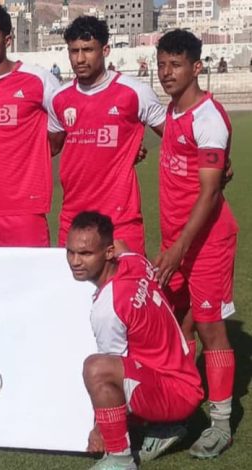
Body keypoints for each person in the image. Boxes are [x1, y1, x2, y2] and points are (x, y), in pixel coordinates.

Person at [155, 29, 237, 458]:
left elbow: (208, 194)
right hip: (179, 240)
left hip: (205, 243)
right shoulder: (173, 110)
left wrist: (178, 249)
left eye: (176, 65)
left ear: (197, 67)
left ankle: (220, 422)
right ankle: (180, 411)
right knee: (174, 326)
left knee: (209, 328)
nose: (167, 73)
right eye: (162, 64)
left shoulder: (208, 118)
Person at [66, 211, 202, 470]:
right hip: (183, 378)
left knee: (96, 368)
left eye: (85, 253)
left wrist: (100, 428)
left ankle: (120, 459)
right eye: (70, 252)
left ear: (108, 253)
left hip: (175, 394)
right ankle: (165, 426)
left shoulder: (108, 308)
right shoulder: (134, 261)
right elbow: (122, 245)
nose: (75, 261)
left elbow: (109, 375)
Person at [48, 16, 165, 255]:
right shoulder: (59, 98)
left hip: (121, 220)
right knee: (72, 280)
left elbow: (175, 135)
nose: (80, 59)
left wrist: (213, 161)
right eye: (74, 51)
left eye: (88, 50)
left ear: (105, 50)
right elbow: (49, 147)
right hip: (74, 219)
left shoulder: (135, 92)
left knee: (127, 279)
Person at [0, 3, 61, 247]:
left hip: (23, 209)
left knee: (31, 272)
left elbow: (63, 126)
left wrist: (35, 153)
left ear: (7, 40)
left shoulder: (38, 79)